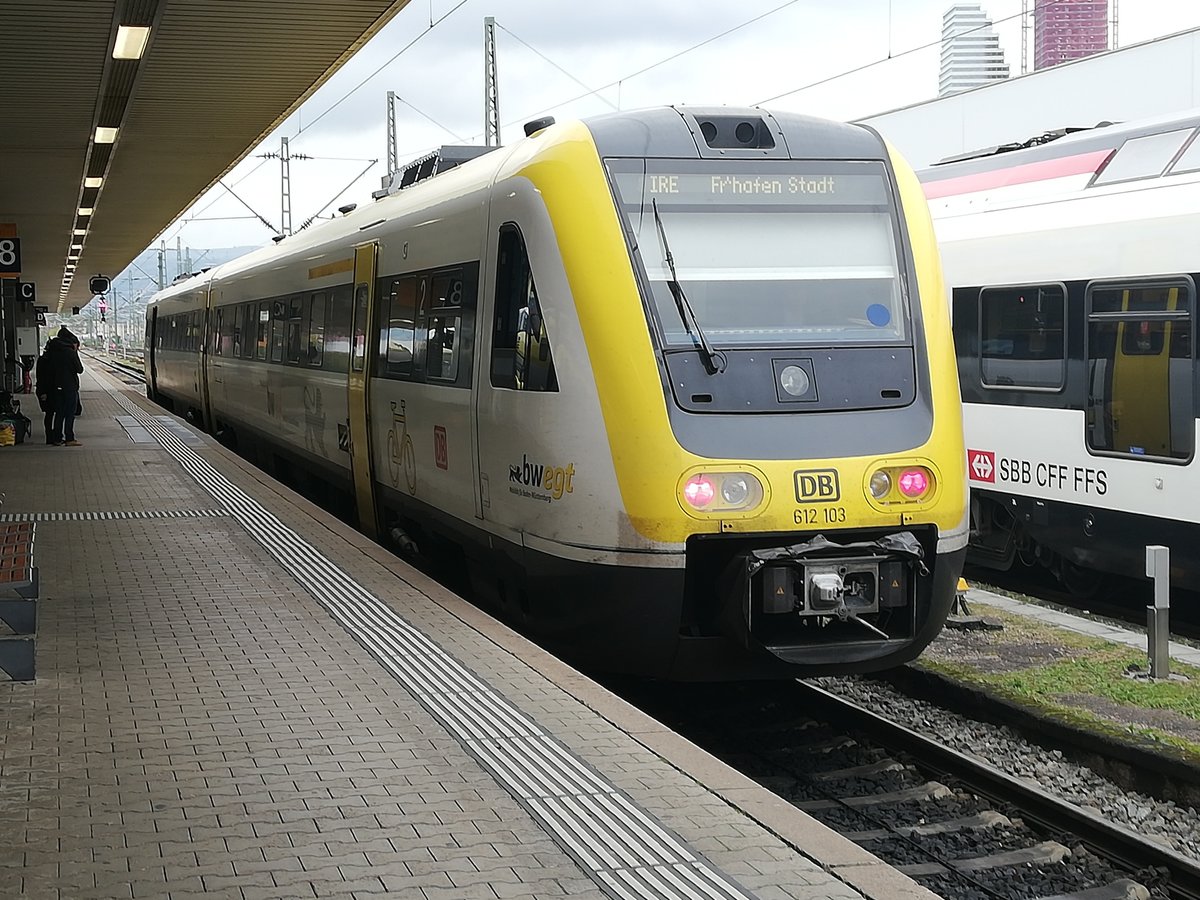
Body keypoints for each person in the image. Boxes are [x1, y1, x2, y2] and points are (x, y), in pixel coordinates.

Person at [40, 326, 84, 447]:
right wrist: (74, 353)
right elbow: (80, 370)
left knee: (59, 413)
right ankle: (69, 438)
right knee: (70, 413)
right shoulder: (70, 352)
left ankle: (57, 438)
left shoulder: (52, 351)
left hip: (56, 387)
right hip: (69, 387)